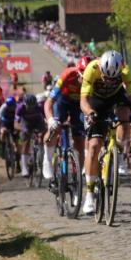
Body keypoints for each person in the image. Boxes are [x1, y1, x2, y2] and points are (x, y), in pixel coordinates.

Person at [80, 51, 131, 215]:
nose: (108, 81)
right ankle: (90, 194)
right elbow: (83, 100)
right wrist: (90, 113)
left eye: (113, 78)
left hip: (116, 98)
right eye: (106, 77)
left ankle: (118, 150)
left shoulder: (125, 71)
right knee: (94, 147)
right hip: (96, 102)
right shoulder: (92, 69)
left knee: (125, 118)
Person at [44, 57, 88, 188]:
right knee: (55, 129)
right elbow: (49, 102)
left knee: (79, 139)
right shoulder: (67, 75)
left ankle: (77, 175)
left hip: (79, 104)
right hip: (62, 101)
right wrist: (51, 119)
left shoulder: (93, 78)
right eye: (82, 74)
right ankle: (47, 159)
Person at [14, 93, 47, 178]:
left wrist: (43, 131)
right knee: (26, 141)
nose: (31, 109)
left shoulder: (39, 107)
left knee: (41, 135)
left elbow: (45, 118)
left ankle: (39, 156)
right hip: (26, 123)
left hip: (37, 122)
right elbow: (16, 123)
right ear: (25, 104)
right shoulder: (20, 108)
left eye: (33, 106)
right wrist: (22, 129)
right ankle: (24, 168)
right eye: (29, 107)